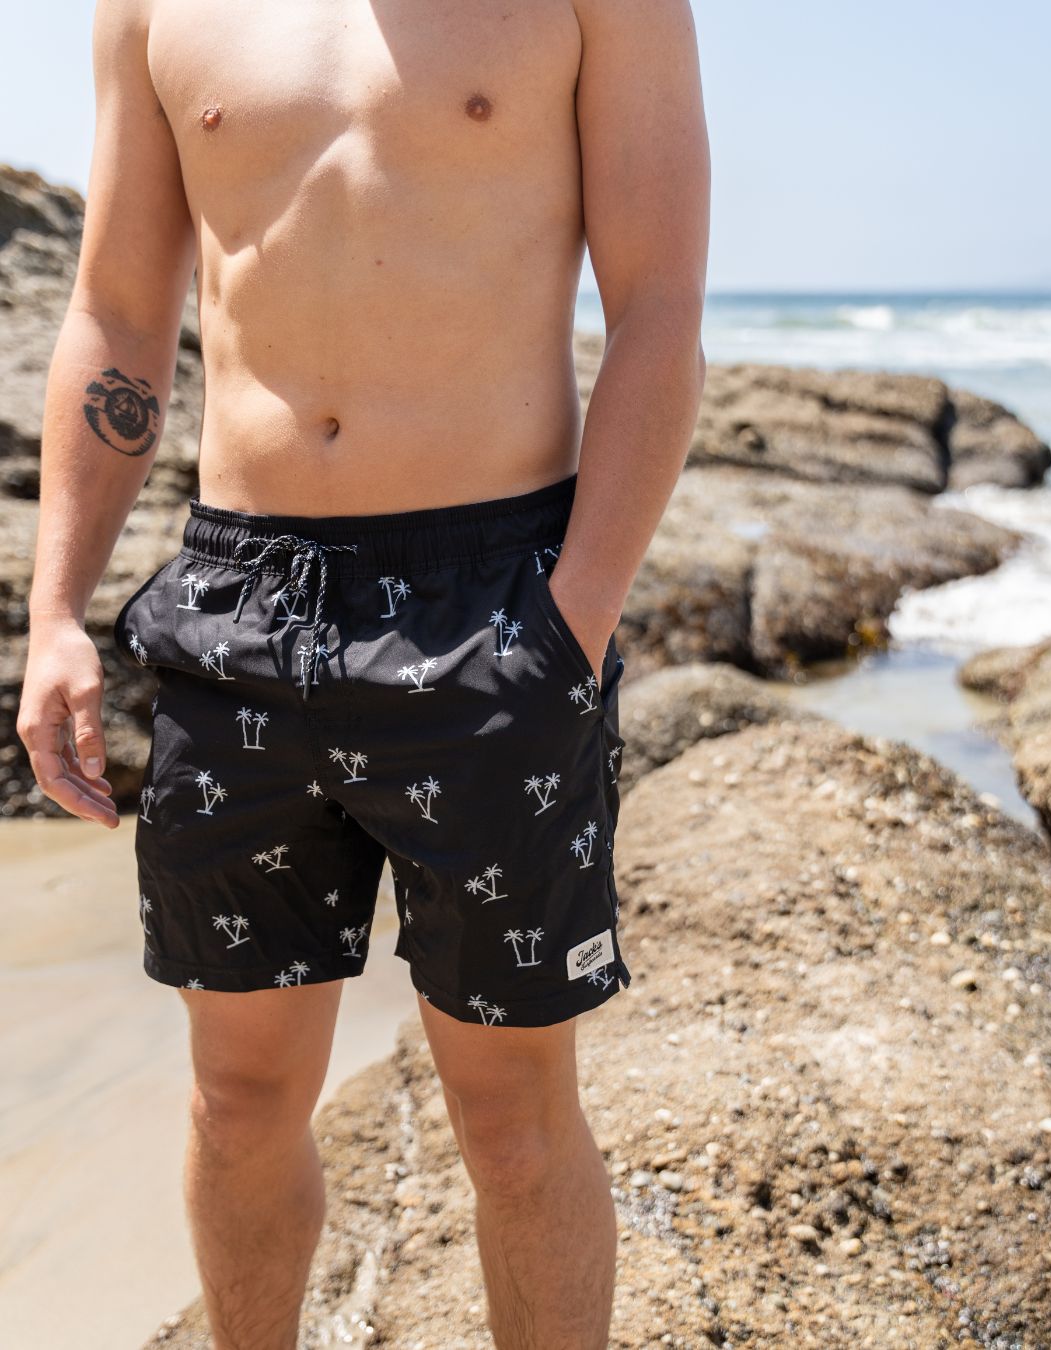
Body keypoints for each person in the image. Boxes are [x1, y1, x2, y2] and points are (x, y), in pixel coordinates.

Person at [17, 0, 709, 1343]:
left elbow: (660, 307)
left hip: (492, 597)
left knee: (513, 1119)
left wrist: (570, 620)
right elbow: (117, 308)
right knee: (238, 1100)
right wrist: (56, 612)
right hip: (239, 603)